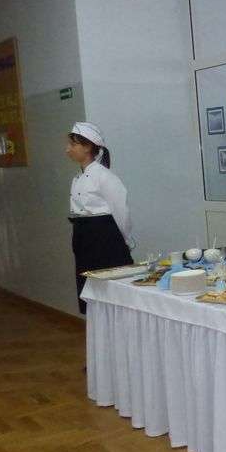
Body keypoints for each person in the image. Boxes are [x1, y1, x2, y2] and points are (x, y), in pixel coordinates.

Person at [66, 122, 134, 314]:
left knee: (110, 294)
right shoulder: (77, 178)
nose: (68, 149)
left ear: (87, 147)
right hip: (83, 238)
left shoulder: (105, 177)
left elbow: (121, 212)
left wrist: (125, 239)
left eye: (73, 144)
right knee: (90, 291)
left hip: (105, 239)